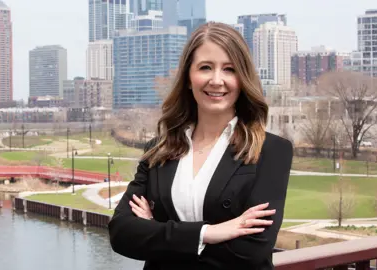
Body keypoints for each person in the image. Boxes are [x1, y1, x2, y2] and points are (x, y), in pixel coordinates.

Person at [108, 22, 293, 270]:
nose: (217, 80)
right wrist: (208, 233)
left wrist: (156, 232)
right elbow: (121, 233)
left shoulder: (271, 151)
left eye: (229, 69)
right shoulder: (158, 151)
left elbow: (250, 252)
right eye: (205, 67)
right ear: (188, 77)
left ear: (243, 78)